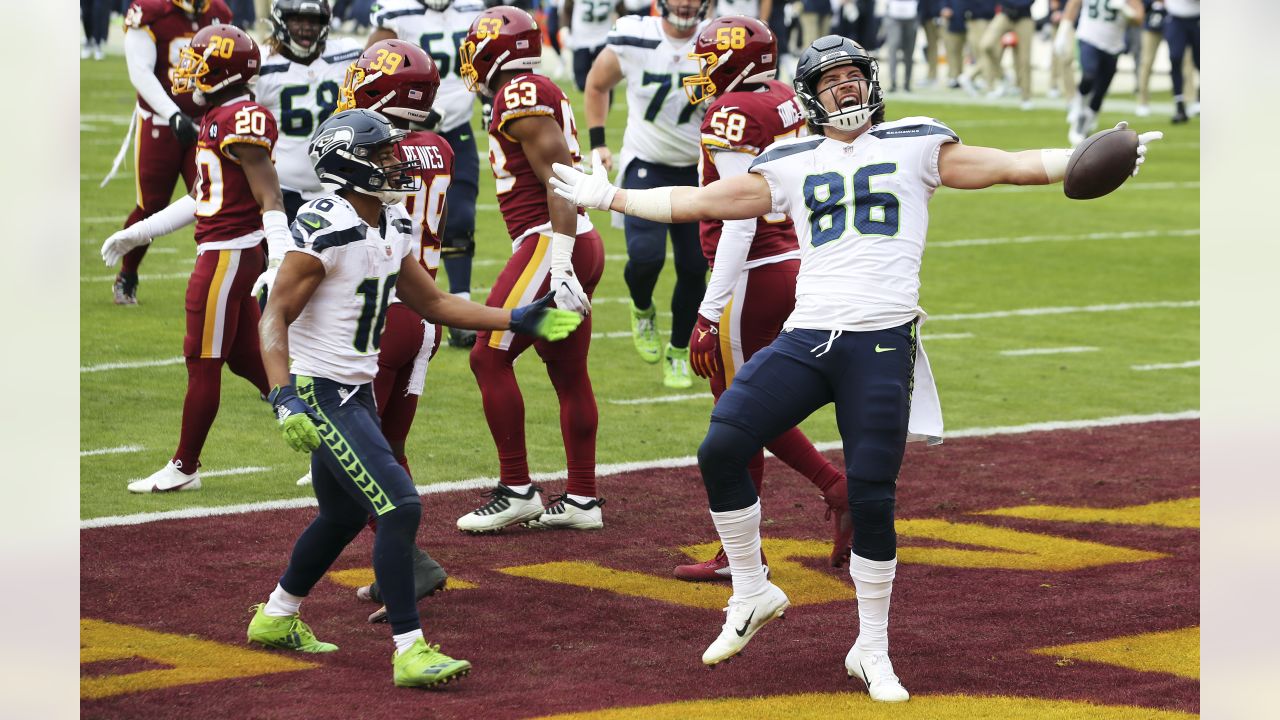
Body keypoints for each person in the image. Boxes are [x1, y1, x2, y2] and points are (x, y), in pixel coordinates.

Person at [550, 34, 1162, 701]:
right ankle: (753, 591)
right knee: (722, 442)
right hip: (807, 336)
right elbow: (711, 205)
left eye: (853, 76)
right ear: (810, 96)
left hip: (880, 340)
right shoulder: (786, 160)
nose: (845, 88)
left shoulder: (917, 143)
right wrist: (610, 197)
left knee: (871, 494)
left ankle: (871, 648)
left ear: (871, 81)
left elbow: (1005, 164)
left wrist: (1081, 157)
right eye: (831, 80)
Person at [246, 108, 581, 687]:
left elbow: (435, 303)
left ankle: (276, 617)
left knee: (342, 513)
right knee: (399, 506)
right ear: (348, 164)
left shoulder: (393, 222)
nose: (395, 163)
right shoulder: (327, 224)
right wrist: (284, 396)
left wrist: (518, 318)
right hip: (324, 392)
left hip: (357, 389)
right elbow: (273, 314)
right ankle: (409, 648)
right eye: (381, 155)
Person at [673, 15, 850, 582]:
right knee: (746, 403)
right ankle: (833, 489)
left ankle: (747, 548)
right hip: (794, 261)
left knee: (737, 411)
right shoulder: (782, 96)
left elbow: (738, 220)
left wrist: (706, 310)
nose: (701, 69)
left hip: (753, 271)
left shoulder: (731, 112)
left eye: (708, 58)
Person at [100, 25, 282, 493]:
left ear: (223, 71)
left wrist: (278, 254)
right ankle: (327, 439)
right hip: (231, 254)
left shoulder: (240, 118)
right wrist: (136, 232)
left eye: (198, 65)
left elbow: (270, 197)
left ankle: (184, 467)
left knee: (202, 362)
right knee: (247, 359)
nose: (189, 74)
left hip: (227, 257)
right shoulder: (223, 115)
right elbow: (202, 198)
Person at [454, 6, 606, 532]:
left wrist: (560, 264)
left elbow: (559, 179)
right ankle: (583, 498)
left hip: (552, 244)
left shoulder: (517, 94)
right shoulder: (529, 90)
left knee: (487, 355)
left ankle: (517, 488)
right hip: (571, 243)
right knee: (567, 371)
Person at [324, 39, 456, 623]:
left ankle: (408, 565)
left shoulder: (377, 149)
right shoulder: (440, 147)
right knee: (389, 450)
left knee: (347, 458)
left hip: (381, 309)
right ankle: (394, 566)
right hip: (422, 309)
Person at [584, 0, 713, 388]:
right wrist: (598, 142)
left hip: (698, 170)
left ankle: (676, 349)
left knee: (694, 266)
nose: (686, 3)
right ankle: (642, 307)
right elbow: (596, 83)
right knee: (646, 258)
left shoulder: (716, 41)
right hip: (647, 164)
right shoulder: (636, 37)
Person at [368, 0, 487, 348]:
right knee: (395, 217)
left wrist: (488, 98)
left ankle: (458, 309)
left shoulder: (471, 8)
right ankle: (395, 300)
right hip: (403, 128)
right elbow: (372, 66)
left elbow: (481, 62)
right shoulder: (395, 11)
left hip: (456, 129)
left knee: (459, 218)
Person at [110, 0, 234, 305]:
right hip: (159, 123)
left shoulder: (218, 11)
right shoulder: (150, 11)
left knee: (215, 201)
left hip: (205, 123)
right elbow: (140, 72)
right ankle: (128, 274)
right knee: (151, 205)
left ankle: (220, 283)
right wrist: (173, 114)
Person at [256, 0, 363, 225]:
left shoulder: (348, 54)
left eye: (314, 21)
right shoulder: (262, 65)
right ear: (281, 21)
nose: (306, 27)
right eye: (297, 20)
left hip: (339, 186)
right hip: (282, 190)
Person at [1060, 0, 1144, 145]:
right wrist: (1063, 31)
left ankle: (1085, 127)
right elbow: (1073, 4)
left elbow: (1139, 18)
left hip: (1113, 46)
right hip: (1088, 38)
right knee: (1089, 75)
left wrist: (1126, 10)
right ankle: (1078, 107)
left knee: (1099, 94)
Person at [979, 0, 1033, 109]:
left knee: (1024, 59)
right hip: (1005, 14)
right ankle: (1003, 76)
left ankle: (1026, 97)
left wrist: (1016, 5)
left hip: (1024, 16)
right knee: (986, 45)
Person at [560, 0, 615, 92]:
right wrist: (565, 29)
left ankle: (604, 102)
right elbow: (567, 9)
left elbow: (622, 10)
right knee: (581, 84)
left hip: (604, 37)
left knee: (607, 79)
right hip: (581, 39)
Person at [1163, 0, 1198, 123]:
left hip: (1198, 18)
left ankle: (1200, 98)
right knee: (1175, 58)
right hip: (1175, 18)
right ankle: (1179, 106)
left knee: (1201, 62)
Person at [883, 0, 919, 93]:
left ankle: (907, 83)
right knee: (893, 49)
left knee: (909, 52)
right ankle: (893, 82)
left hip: (911, 15)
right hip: (893, 15)